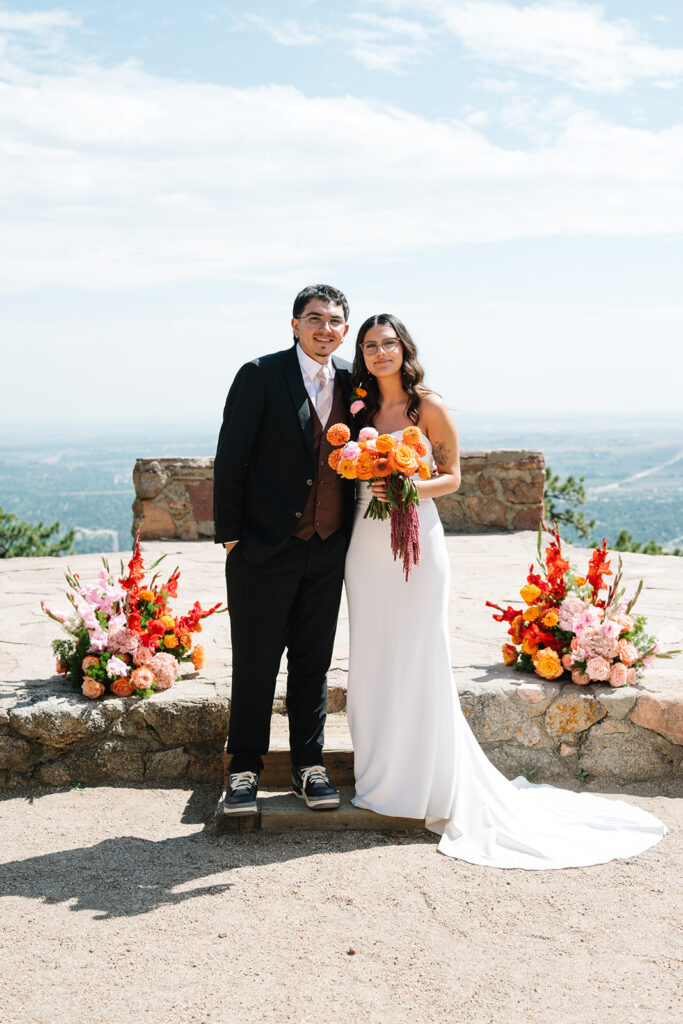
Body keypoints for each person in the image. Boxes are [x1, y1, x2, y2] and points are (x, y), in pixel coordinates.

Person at [344, 313, 667, 869]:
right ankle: (380, 777)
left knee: (420, 654)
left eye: (388, 344)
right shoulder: (358, 410)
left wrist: (408, 483)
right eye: (370, 346)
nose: (379, 354)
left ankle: (426, 782)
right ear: (363, 354)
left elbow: (453, 477)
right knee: (372, 654)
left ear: (404, 349)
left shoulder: (429, 407)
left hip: (417, 539)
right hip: (367, 545)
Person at [213, 284, 355, 816]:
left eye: (335, 320)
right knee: (256, 662)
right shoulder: (259, 374)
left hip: (328, 548)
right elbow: (231, 457)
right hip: (262, 549)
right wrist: (231, 535)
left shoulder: (353, 382)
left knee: (314, 663)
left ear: (345, 328)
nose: (325, 328)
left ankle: (308, 767)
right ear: (294, 325)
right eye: (314, 318)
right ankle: (245, 768)